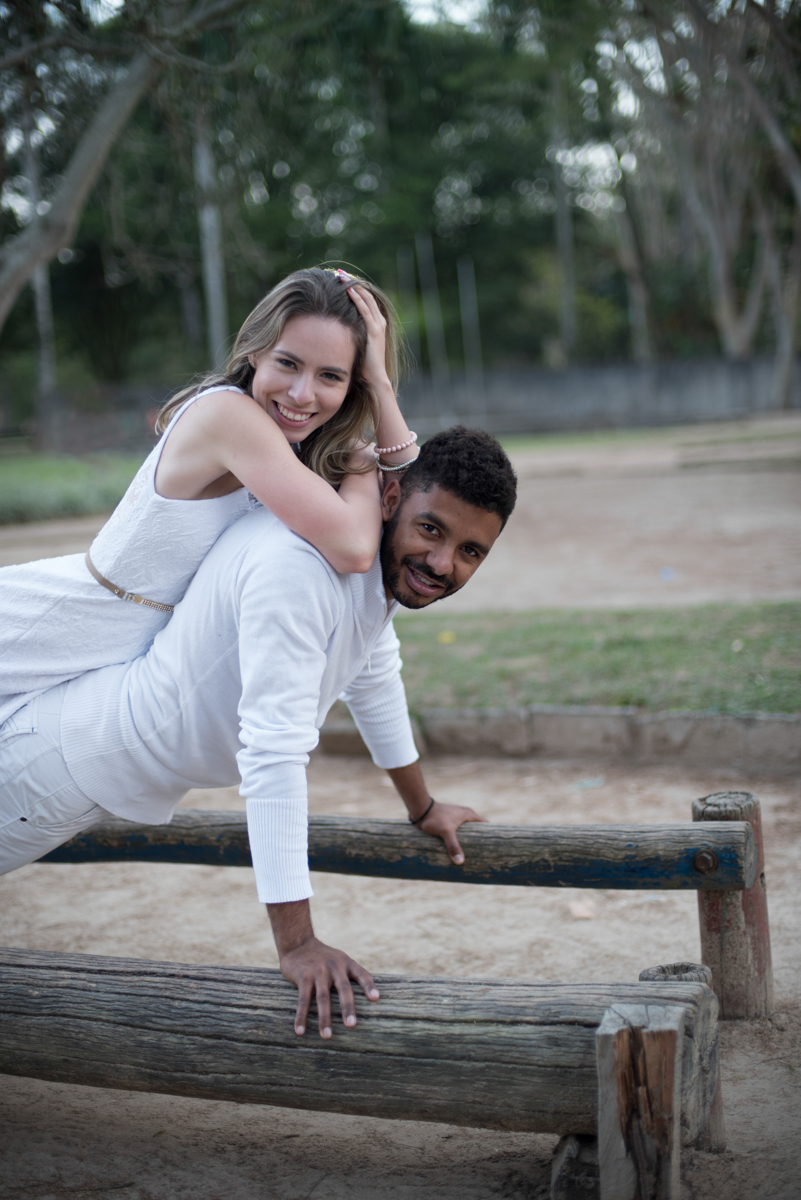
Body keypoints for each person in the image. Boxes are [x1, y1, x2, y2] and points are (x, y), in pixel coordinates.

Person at [0, 426, 518, 1040]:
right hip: (61, 768)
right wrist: (296, 944)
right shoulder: (301, 567)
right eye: (431, 529)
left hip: (80, 760)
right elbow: (273, 752)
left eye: (470, 552)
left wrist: (423, 806)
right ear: (390, 497)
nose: (442, 564)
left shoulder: (360, 564)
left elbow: (373, 675)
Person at [0, 267, 418, 728]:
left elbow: (413, 502)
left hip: (106, 652)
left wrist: (379, 382)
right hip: (50, 628)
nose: (302, 393)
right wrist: (365, 457)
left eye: (331, 376)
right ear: (256, 350)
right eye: (288, 363)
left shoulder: (297, 448)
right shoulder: (229, 415)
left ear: (351, 384)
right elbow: (356, 549)